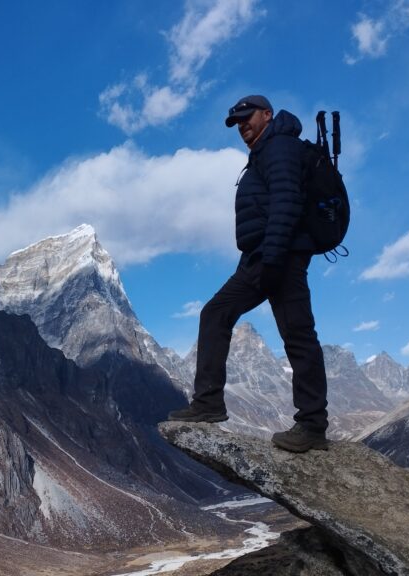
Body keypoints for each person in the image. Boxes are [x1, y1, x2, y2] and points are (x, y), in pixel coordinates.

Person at [167, 95, 329, 453]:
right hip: (263, 256)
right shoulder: (267, 151)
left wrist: (272, 259)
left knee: (297, 336)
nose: (242, 125)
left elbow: (287, 201)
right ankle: (209, 403)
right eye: (237, 122)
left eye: (247, 117)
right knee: (219, 314)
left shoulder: (280, 148)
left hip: (278, 257)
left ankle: (312, 426)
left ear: (267, 115)